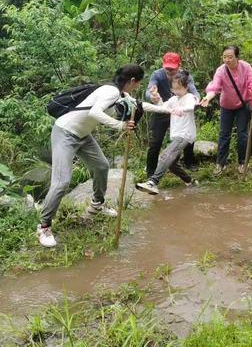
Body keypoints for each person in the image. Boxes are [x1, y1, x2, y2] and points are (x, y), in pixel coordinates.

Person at [37, 64, 167, 248]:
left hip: (83, 135)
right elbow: (94, 112)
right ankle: (44, 226)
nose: (137, 86)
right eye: (138, 83)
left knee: (101, 166)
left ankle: (97, 205)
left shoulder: (122, 95)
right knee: (62, 182)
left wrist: (170, 110)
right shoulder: (111, 92)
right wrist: (119, 125)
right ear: (132, 81)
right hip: (65, 132)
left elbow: (140, 105)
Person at [136, 71, 199, 194]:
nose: (176, 91)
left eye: (179, 88)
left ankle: (153, 182)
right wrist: (157, 97)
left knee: (165, 155)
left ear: (186, 87)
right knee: (171, 164)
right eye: (174, 88)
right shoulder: (173, 99)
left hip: (185, 134)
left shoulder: (189, 97)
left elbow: (191, 106)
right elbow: (162, 108)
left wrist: (181, 109)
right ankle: (190, 182)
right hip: (176, 135)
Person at [200, 46, 252, 175]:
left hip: (243, 105)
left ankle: (243, 162)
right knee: (224, 134)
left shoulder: (245, 67)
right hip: (227, 105)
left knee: (242, 134)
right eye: (225, 57)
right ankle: (221, 164)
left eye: (230, 57)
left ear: (237, 57)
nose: (227, 60)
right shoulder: (221, 70)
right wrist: (208, 97)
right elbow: (215, 86)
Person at [145, 52, 200, 176]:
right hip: (164, 109)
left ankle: (189, 162)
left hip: (181, 112)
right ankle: (150, 169)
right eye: (167, 67)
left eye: (172, 68)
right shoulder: (157, 75)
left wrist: (195, 100)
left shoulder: (185, 76)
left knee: (186, 137)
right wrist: (153, 96)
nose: (169, 70)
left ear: (179, 65)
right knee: (155, 142)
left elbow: (194, 92)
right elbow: (149, 91)